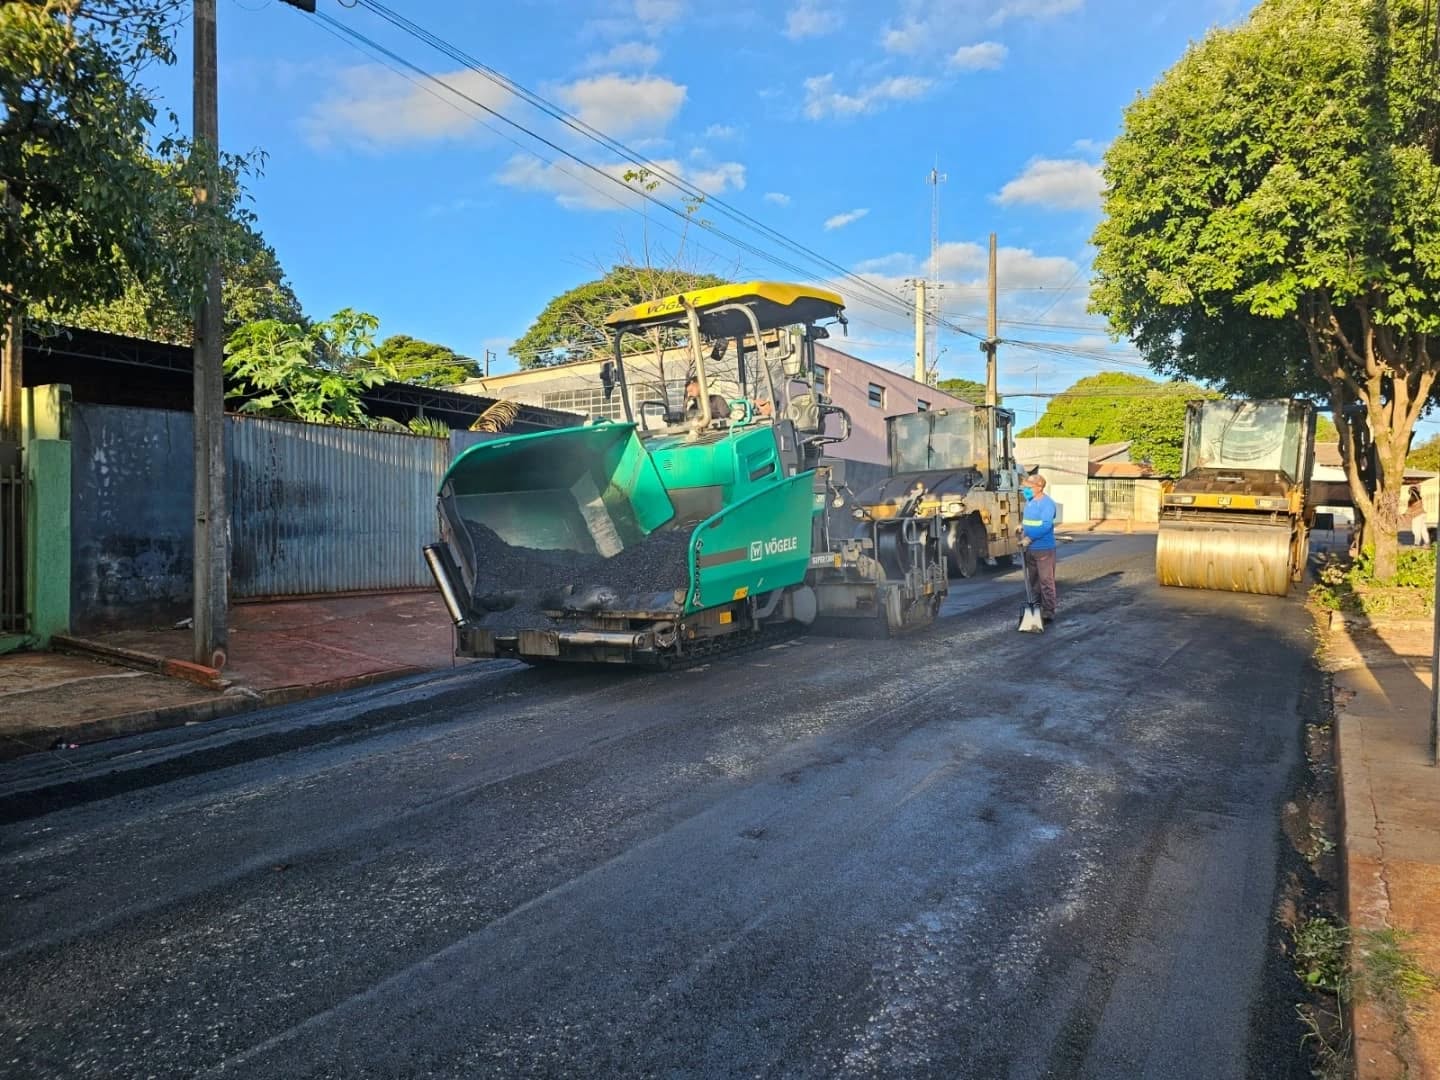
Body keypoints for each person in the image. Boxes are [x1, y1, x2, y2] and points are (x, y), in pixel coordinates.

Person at [1019, 473, 1058, 623]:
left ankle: (1048, 611)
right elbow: (1029, 521)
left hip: (1043, 549)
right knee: (1034, 582)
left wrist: (1029, 538)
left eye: (1029, 487)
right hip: (1030, 549)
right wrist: (1022, 527)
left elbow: (1045, 526)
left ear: (1039, 487)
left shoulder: (1047, 504)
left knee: (1046, 582)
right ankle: (1036, 609)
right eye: (1025, 487)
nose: (1025, 490)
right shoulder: (1030, 502)